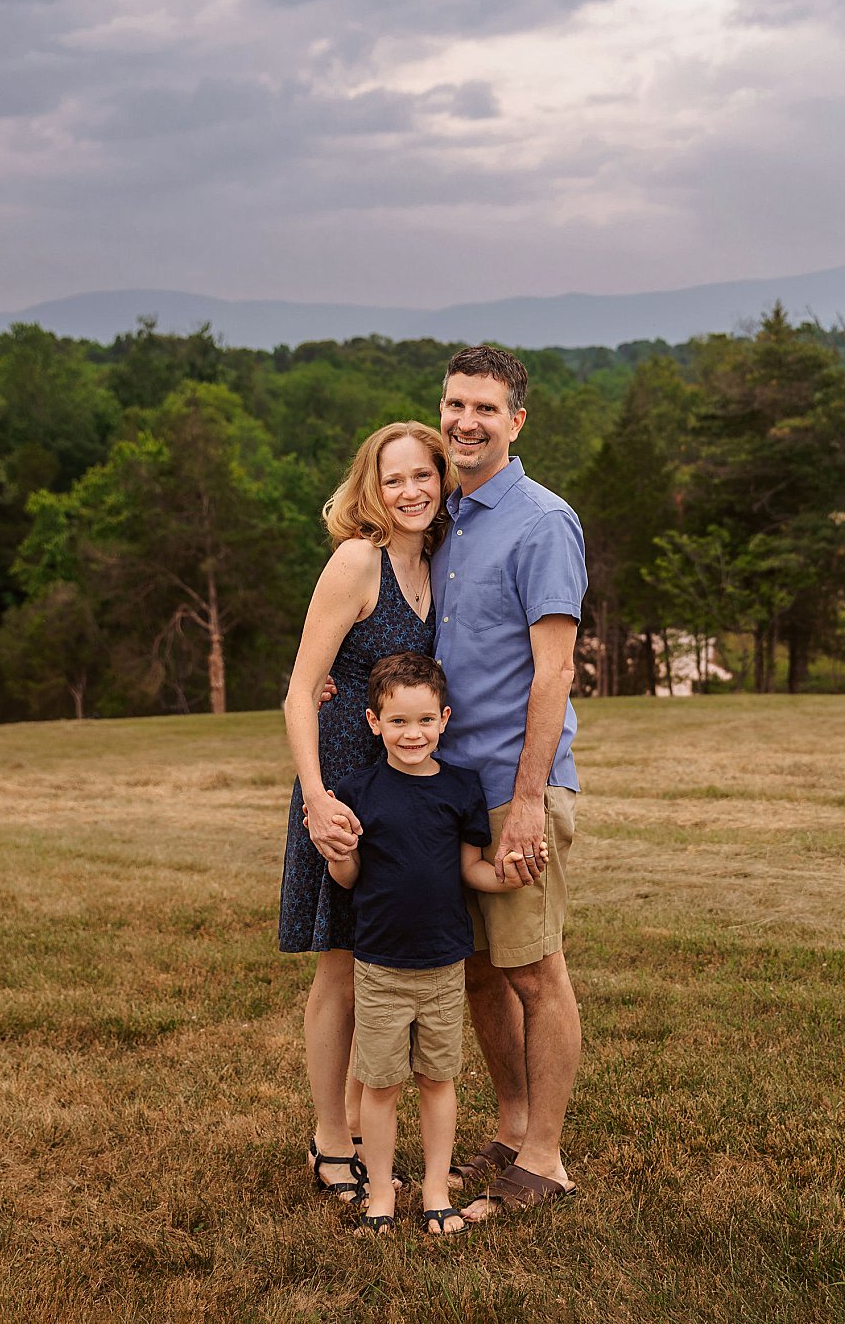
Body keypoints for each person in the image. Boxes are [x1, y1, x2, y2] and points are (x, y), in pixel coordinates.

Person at [314, 344, 588, 1219]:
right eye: (453, 403)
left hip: (515, 783)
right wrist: (339, 680)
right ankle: (509, 1127)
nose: (465, 421)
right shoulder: (451, 514)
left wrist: (529, 804)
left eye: (485, 407)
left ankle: (542, 1157)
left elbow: (554, 672)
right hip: (444, 785)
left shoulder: (543, 521)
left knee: (536, 971)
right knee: (471, 969)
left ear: (517, 419)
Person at [278, 420, 450, 1206]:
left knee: (374, 960)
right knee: (340, 966)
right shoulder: (359, 559)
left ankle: (353, 1122)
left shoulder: (435, 560)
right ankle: (327, 1139)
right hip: (344, 786)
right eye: (394, 479)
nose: (410, 491)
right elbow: (298, 689)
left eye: (425, 475)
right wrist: (317, 799)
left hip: (400, 784)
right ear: (370, 488)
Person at [325, 651, 524, 1237]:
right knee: (381, 1086)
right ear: (373, 723)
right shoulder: (357, 790)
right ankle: (381, 1194)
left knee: (438, 1081)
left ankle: (436, 1188)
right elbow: (350, 878)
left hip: (443, 966)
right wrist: (341, 853)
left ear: (444, 719)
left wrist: (505, 875)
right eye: (397, 722)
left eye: (423, 721)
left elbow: (470, 871)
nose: (411, 734)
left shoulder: (462, 788)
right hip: (381, 965)